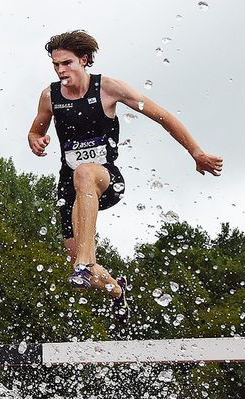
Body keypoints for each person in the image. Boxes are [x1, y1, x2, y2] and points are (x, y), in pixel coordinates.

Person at [27, 30, 223, 320]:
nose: (60, 70)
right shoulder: (50, 96)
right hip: (69, 189)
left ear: (84, 60)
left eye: (66, 63)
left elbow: (162, 116)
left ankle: (85, 260)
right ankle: (117, 290)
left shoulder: (108, 88)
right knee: (87, 279)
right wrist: (34, 139)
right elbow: (36, 130)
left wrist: (196, 152)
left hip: (107, 179)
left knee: (84, 173)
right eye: (55, 65)